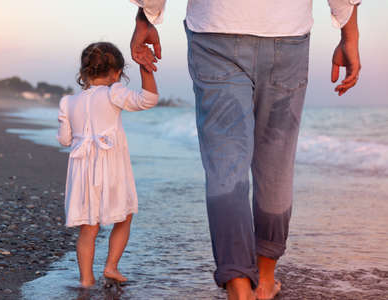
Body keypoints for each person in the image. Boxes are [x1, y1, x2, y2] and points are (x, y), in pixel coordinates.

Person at [130, 1, 361, 299]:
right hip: (287, 33)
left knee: (225, 166)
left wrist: (145, 16)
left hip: (216, 30)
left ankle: (239, 287)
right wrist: (349, 36)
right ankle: (264, 280)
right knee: (276, 164)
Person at [57, 42, 158, 288]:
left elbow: (64, 140)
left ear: (84, 73)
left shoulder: (68, 102)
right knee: (124, 216)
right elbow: (148, 100)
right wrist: (147, 70)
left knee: (88, 228)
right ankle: (111, 266)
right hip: (111, 168)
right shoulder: (115, 92)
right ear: (117, 73)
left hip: (83, 171)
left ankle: (86, 279)